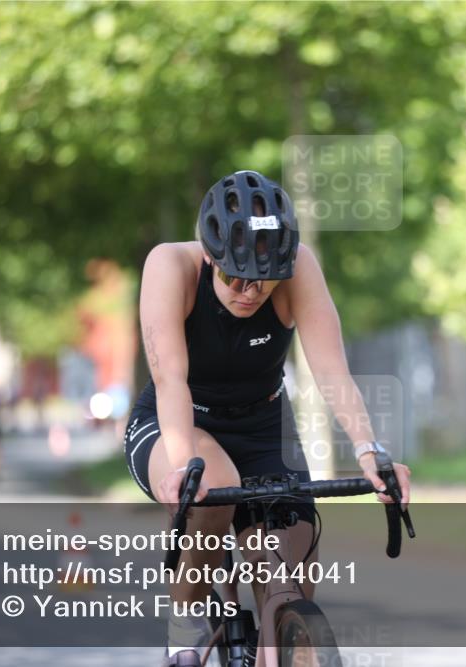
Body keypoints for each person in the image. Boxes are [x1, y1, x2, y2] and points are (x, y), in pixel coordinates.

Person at [122, 170, 411, 666]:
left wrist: (370, 451)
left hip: (263, 426)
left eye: (264, 279)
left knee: (286, 583)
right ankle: (185, 613)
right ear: (210, 253)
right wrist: (182, 465)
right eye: (235, 276)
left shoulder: (298, 267)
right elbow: (171, 379)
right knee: (213, 488)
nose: (249, 291)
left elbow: (331, 369)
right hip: (182, 421)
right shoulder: (169, 265)